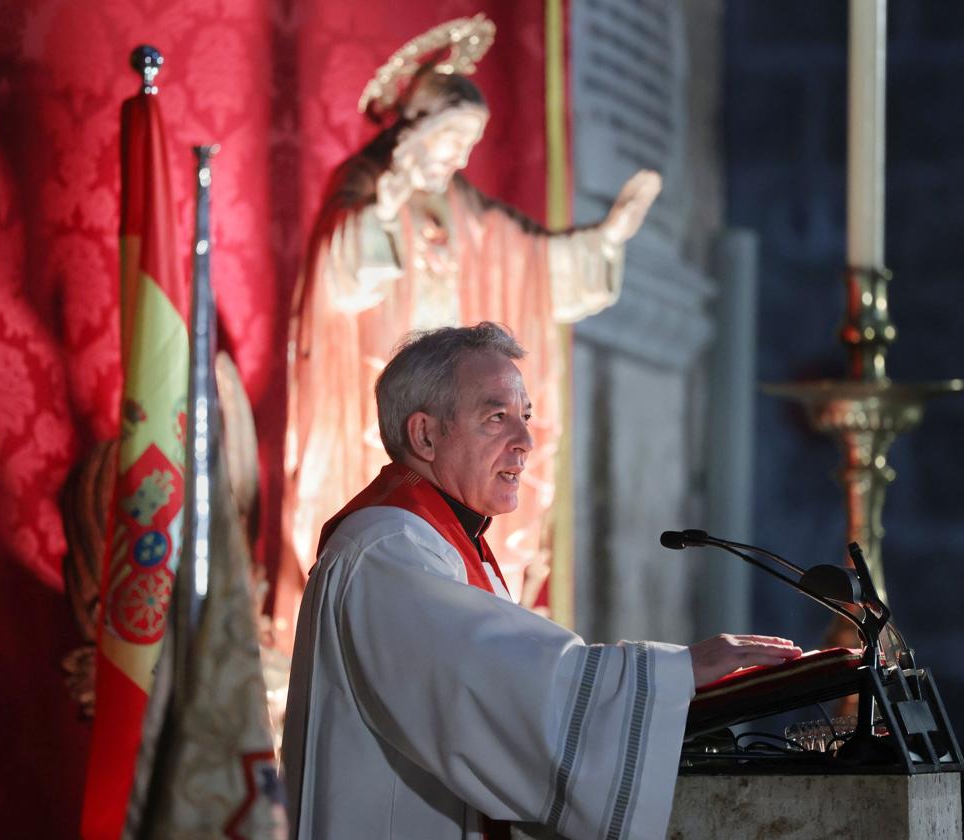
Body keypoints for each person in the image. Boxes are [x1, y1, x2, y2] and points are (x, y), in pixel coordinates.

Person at [281, 323, 802, 839]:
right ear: (425, 435)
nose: (526, 441)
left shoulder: (441, 543)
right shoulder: (389, 547)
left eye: (525, 417)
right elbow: (485, 683)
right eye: (497, 417)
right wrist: (673, 673)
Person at [277, 16, 663, 650]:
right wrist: (381, 206)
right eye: (451, 138)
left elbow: (531, 258)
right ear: (416, 129)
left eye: (469, 143)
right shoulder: (371, 187)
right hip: (376, 392)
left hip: (448, 414)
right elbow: (341, 277)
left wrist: (603, 241)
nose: (460, 156)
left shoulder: (467, 209)